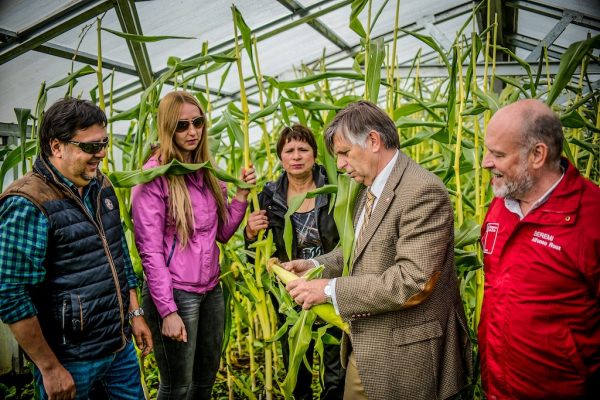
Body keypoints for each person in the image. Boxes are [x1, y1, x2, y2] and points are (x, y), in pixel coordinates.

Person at [283, 101, 472, 400]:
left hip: (408, 355)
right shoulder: (368, 188)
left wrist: (331, 290)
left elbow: (413, 280)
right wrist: (315, 266)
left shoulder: (421, 191)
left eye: (345, 153)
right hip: (367, 345)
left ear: (373, 141)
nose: (341, 165)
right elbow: (356, 251)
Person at [0, 97, 153, 400]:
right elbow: (10, 292)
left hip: (118, 349)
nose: (102, 154)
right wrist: (50, 367)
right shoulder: (28, 202)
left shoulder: (102, 186)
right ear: (57, 147)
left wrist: (134, 312)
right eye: (90, 147)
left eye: (104, 143)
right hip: (71, 361)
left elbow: (118, 252)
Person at [131, 90, 256, 400]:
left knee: (204, 383)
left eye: (197, 123)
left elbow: (222, 234)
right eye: (182, 125)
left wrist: (240, 196)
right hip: (175, 293)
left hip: (211, 290)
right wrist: (168, 310)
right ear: (167, 128)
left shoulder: (207, 172)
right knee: (177, 387)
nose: (192, 132)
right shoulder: (153, 177)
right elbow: (150, 251)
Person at [479, 99, 600, 399]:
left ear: (537, 155)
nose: (485, 162)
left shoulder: (591, 217)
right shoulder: (501, 205)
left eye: (497, 154)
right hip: (499, 387)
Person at [245, 124, 345, 399]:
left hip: (329, 285)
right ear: (281, 158)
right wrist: (250, 233)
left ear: (315, 154)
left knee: (336, 366)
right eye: (289, 150)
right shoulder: (268, 197)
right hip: (291, 292)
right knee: (296, 361)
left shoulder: (335, 189)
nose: (297, 155)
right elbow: (255, 253)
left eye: (303, 149)